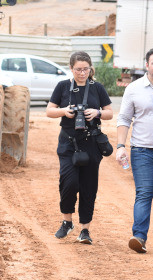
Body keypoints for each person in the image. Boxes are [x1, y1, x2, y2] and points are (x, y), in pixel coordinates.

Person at [46, 51, 114, 245]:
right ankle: (67, 221)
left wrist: (97, 112)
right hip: (68, 142)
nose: (82, 73)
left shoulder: (97, 88)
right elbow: (49, 111)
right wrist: (64, 111)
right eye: (78, 69)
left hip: (91, 142)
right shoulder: (63, 86)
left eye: (85, 69)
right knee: (68, 182)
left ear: (90, 69)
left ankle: (85, 229)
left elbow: (110, 113)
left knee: (88, 186)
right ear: (71, 68)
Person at [116, 47, 153, 254]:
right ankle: (139, 237)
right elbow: (124, 119)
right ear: (146, 65)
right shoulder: (133, 89)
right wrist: (120, 146)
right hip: (142, 151)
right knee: (144, 194)